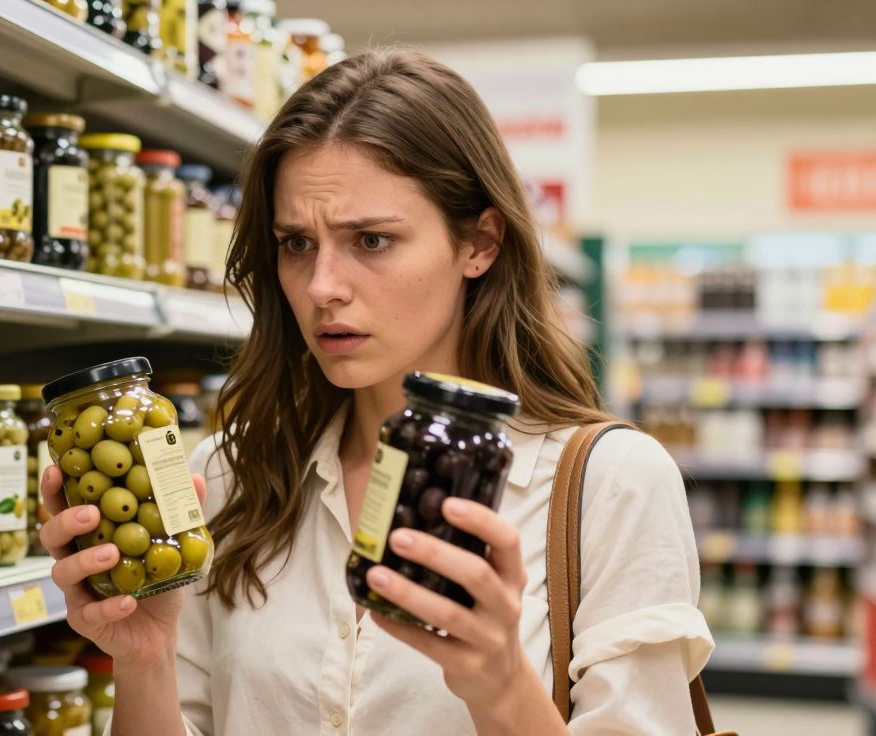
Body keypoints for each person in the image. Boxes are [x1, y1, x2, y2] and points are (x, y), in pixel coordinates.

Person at [40, 48, 713, 734]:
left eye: (371, 240)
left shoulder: (609, 486)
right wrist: (144, 659)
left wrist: (501, 683)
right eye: (297, 244)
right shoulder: (228, 477)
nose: (323, 286)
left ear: (479, 243)